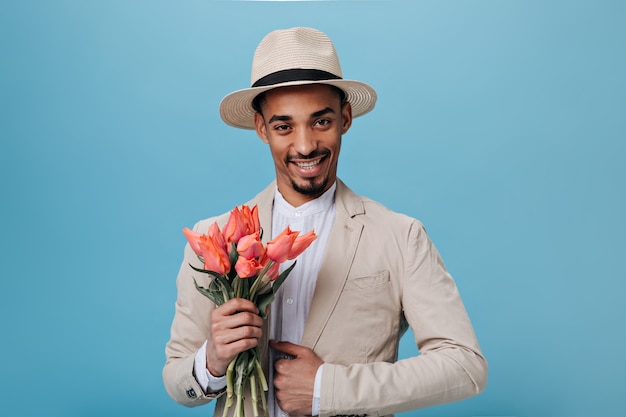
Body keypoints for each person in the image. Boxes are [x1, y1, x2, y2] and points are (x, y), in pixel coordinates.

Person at [163, 27, 487, 417]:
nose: (305, 146)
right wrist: (211, 361)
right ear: (262, 129)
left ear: (345, 118)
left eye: (321, 122)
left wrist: (327, 388)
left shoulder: (401, 236)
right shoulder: (213, 238)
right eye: (284, 126)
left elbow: (464, 366)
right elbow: (177, 380)